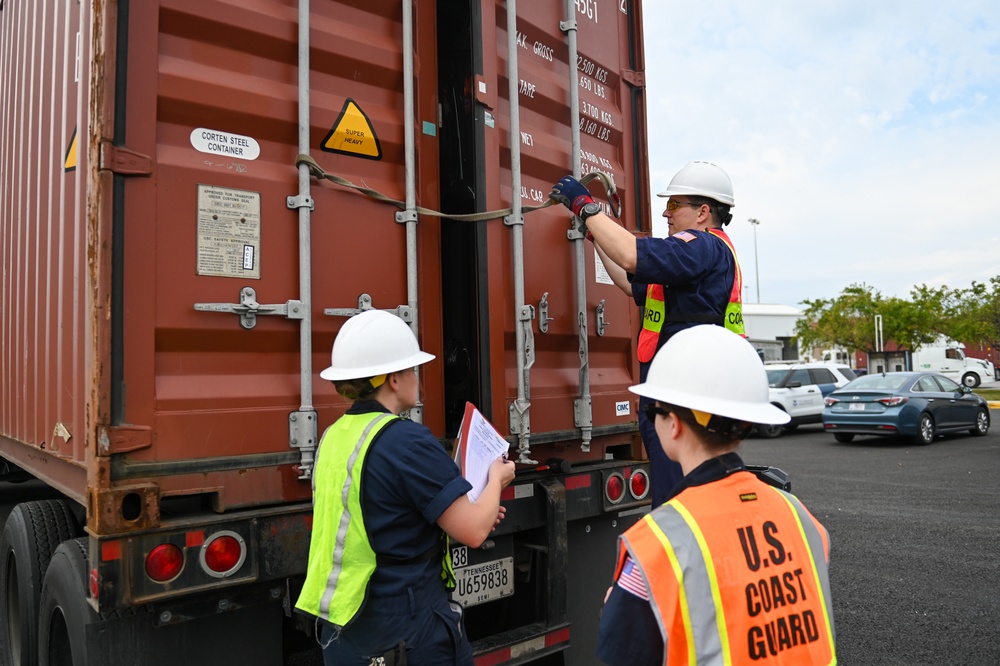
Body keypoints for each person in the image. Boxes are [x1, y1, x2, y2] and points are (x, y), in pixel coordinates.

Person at [594, 325, 836, 665]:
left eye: (652, 411)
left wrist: (614, 612)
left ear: (673, 424)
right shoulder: (798, 516)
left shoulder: (658, 544)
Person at [295, 309, 516, 665]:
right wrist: (496, 480)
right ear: (394, 379)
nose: (418, 378)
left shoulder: (333, 437)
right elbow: (474, 531)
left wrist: (476, 510)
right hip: (406, 628)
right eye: (412, 369)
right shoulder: (407, 441)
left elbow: (385, 519)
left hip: (349, 628)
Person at [550, 162, 746, 505]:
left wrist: (585, 206)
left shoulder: (701, 246)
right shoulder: (699, 258)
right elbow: (629, 281)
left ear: (703, 212)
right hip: (683, 398)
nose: (666, 215)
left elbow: (630, 254)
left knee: (677, 502)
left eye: (674, 206)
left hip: (685, 403)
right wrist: (595, 235)